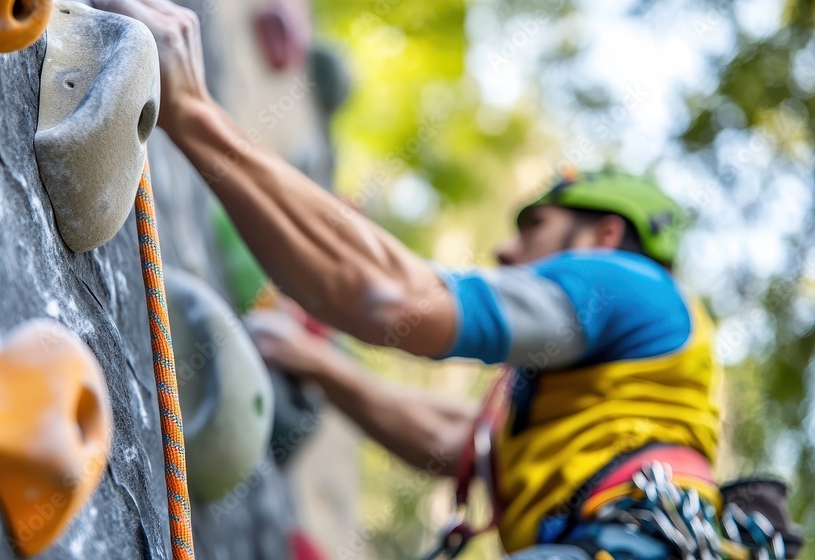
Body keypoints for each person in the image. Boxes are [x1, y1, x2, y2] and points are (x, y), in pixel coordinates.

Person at [93, 1, 798, 557]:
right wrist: (324, 370)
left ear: (604, 234)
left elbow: (395, 300)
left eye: (533, 226)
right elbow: (460, 443)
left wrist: (192, 112)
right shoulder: (595, 400)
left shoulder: (626, 284)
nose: (503, 248)